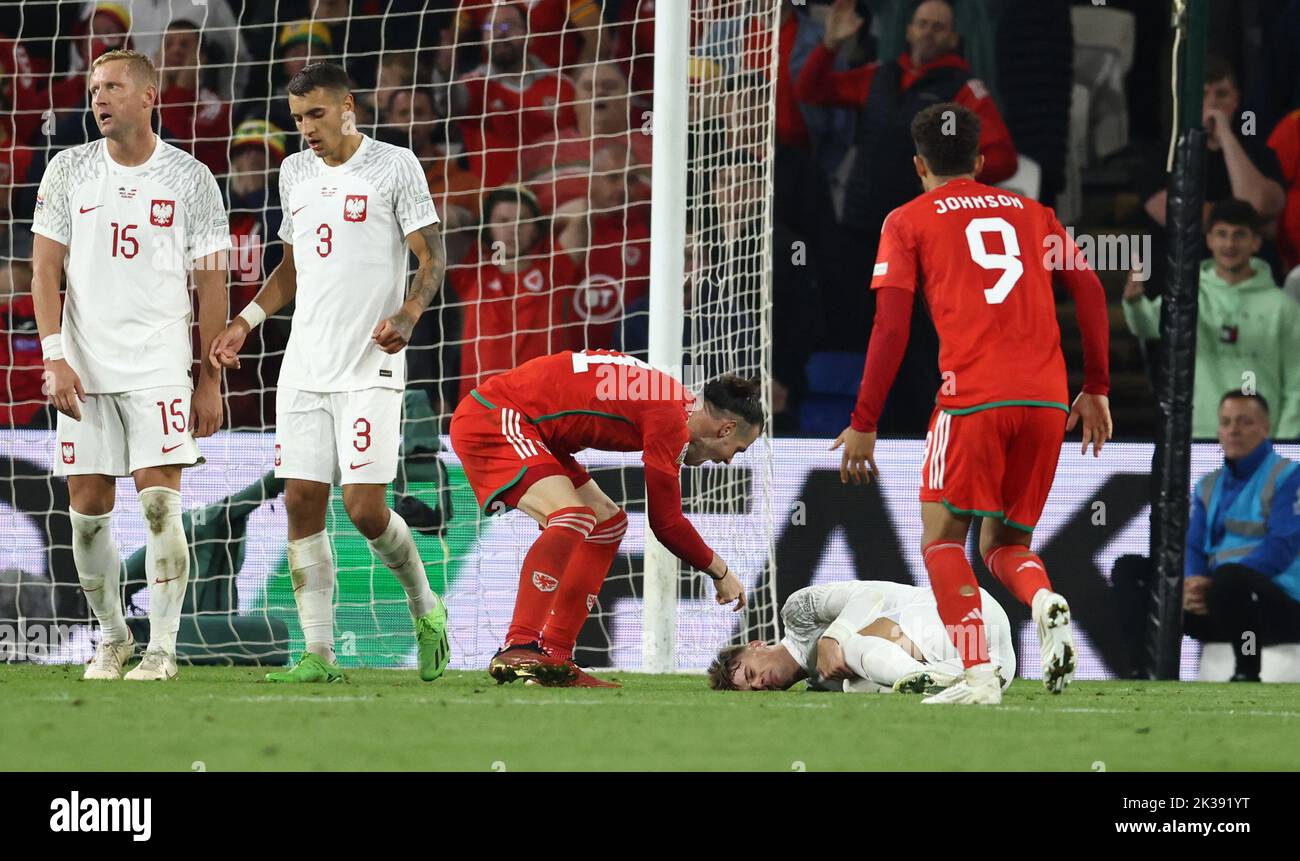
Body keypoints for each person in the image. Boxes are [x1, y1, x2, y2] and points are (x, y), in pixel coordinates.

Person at [833, 102, 1112, 705]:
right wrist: (1098, 387)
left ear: (918, 164)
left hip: (972, 401)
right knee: (1005, 547)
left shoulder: (907, 221)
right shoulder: (1034, 213)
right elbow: (1089, 288)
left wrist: (864, 421)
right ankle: (1043, 600)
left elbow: (890, 330)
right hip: (1044, 402)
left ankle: (979, 673)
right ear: (982, 161)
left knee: (941, 543)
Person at [209, 63, 450, 685]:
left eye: (316, 115)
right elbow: (291, 269)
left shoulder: (395, 165)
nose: (306, 129)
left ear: (348, 106)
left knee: (366, 510)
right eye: (298, 119)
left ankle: (426, 608)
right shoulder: (294, 173)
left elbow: (432, 254)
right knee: (300, 501)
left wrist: (411, 309)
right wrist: (246, 321)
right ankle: (318, 653)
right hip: (305, 367)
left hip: (371, 364)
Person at [30, 49, 230, 681]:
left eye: (113, 86)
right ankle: (113, 637)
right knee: (86, 516)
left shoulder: (190, 176)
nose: (99, 96)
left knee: (159, 509)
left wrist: (209, 378)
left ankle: (163, 648)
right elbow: (43, 271)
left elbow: (213, 282)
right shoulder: (67, 170)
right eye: (94, 88)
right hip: (84, 371)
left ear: (148, 97)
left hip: (160, 367)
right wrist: (55, 359)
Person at [450, 349, 754, 687]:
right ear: (726, 429)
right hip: (497, 416)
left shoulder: (672, 401)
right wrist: (720, 572)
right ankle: (519, 646)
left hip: (533, 430)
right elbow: (666, 523)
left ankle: (555, 659)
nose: (728, 461)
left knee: (606, 524)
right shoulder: (670, 417)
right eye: (737, 451)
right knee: (571, 516)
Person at [794, 0, 1018, 430]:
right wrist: (829, 46)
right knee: (860, 331)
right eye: (922, 24)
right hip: (862, 229)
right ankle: (858, 426)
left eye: (939, 27)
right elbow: (811, 90)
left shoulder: (964, 89)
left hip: (924, 239)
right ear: (909, 30)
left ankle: (916, 433)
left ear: (954, 37)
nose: (929, 32)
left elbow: (1003, 157)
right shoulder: (880, 76)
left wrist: (953, 182)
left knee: (916, 342)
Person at [1114, 392, 1300, 682]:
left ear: (1266, 429)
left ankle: (1247, 673)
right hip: (1217, 600)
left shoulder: (1289, 476)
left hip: (1276, 607)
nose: (1233, 430)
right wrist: (1189, 583)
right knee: (1130, 569)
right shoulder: (1208, 484)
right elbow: (1192, 545)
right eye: (1226, 423)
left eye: (1244, 422)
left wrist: (1216, 582)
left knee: (1229, 578)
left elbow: (1283, 545)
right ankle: (1142, 672)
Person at [1123, 199, 1300, 440]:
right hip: (1198, 434)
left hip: (1262, 440)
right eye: (1222, 234)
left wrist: (1286, 441)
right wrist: (1134, 303)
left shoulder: (1284, 308)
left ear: (1256, 242)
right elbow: (1149, 326)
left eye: (1239, 235)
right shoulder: (1187, 297)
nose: (1229, 243)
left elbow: (1296, 382)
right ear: (1209, 239)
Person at [707, 579, 1016, 694]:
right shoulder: (821, 682)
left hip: (966, 613)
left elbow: (869, 598)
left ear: (755, 645)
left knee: (851, 645)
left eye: (750, 672)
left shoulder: (797, 612)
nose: (761, 682)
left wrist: (831, 639)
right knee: (857, 687)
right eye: (754, 688)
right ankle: (959, 681)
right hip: (995, 662)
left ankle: (925, 677)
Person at [449, 184, 584, 402]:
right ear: (489, 227)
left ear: (535, 227)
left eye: (523, 221)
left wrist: (542, 223)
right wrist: (478, 225)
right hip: (482, 405)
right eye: (503, 221)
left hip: (542, 402)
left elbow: (581, 210)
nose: (513, 228)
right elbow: (446, 217)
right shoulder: (473, 272)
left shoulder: (554, 268)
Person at [453, 1, 577, 190]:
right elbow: (445, 104)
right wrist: (442, 70)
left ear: (530, 35)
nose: (500, 33)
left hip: (553, 199)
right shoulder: (473, 86)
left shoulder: (564, 87)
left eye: (509, 25)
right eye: (489, 28)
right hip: (496, 206)